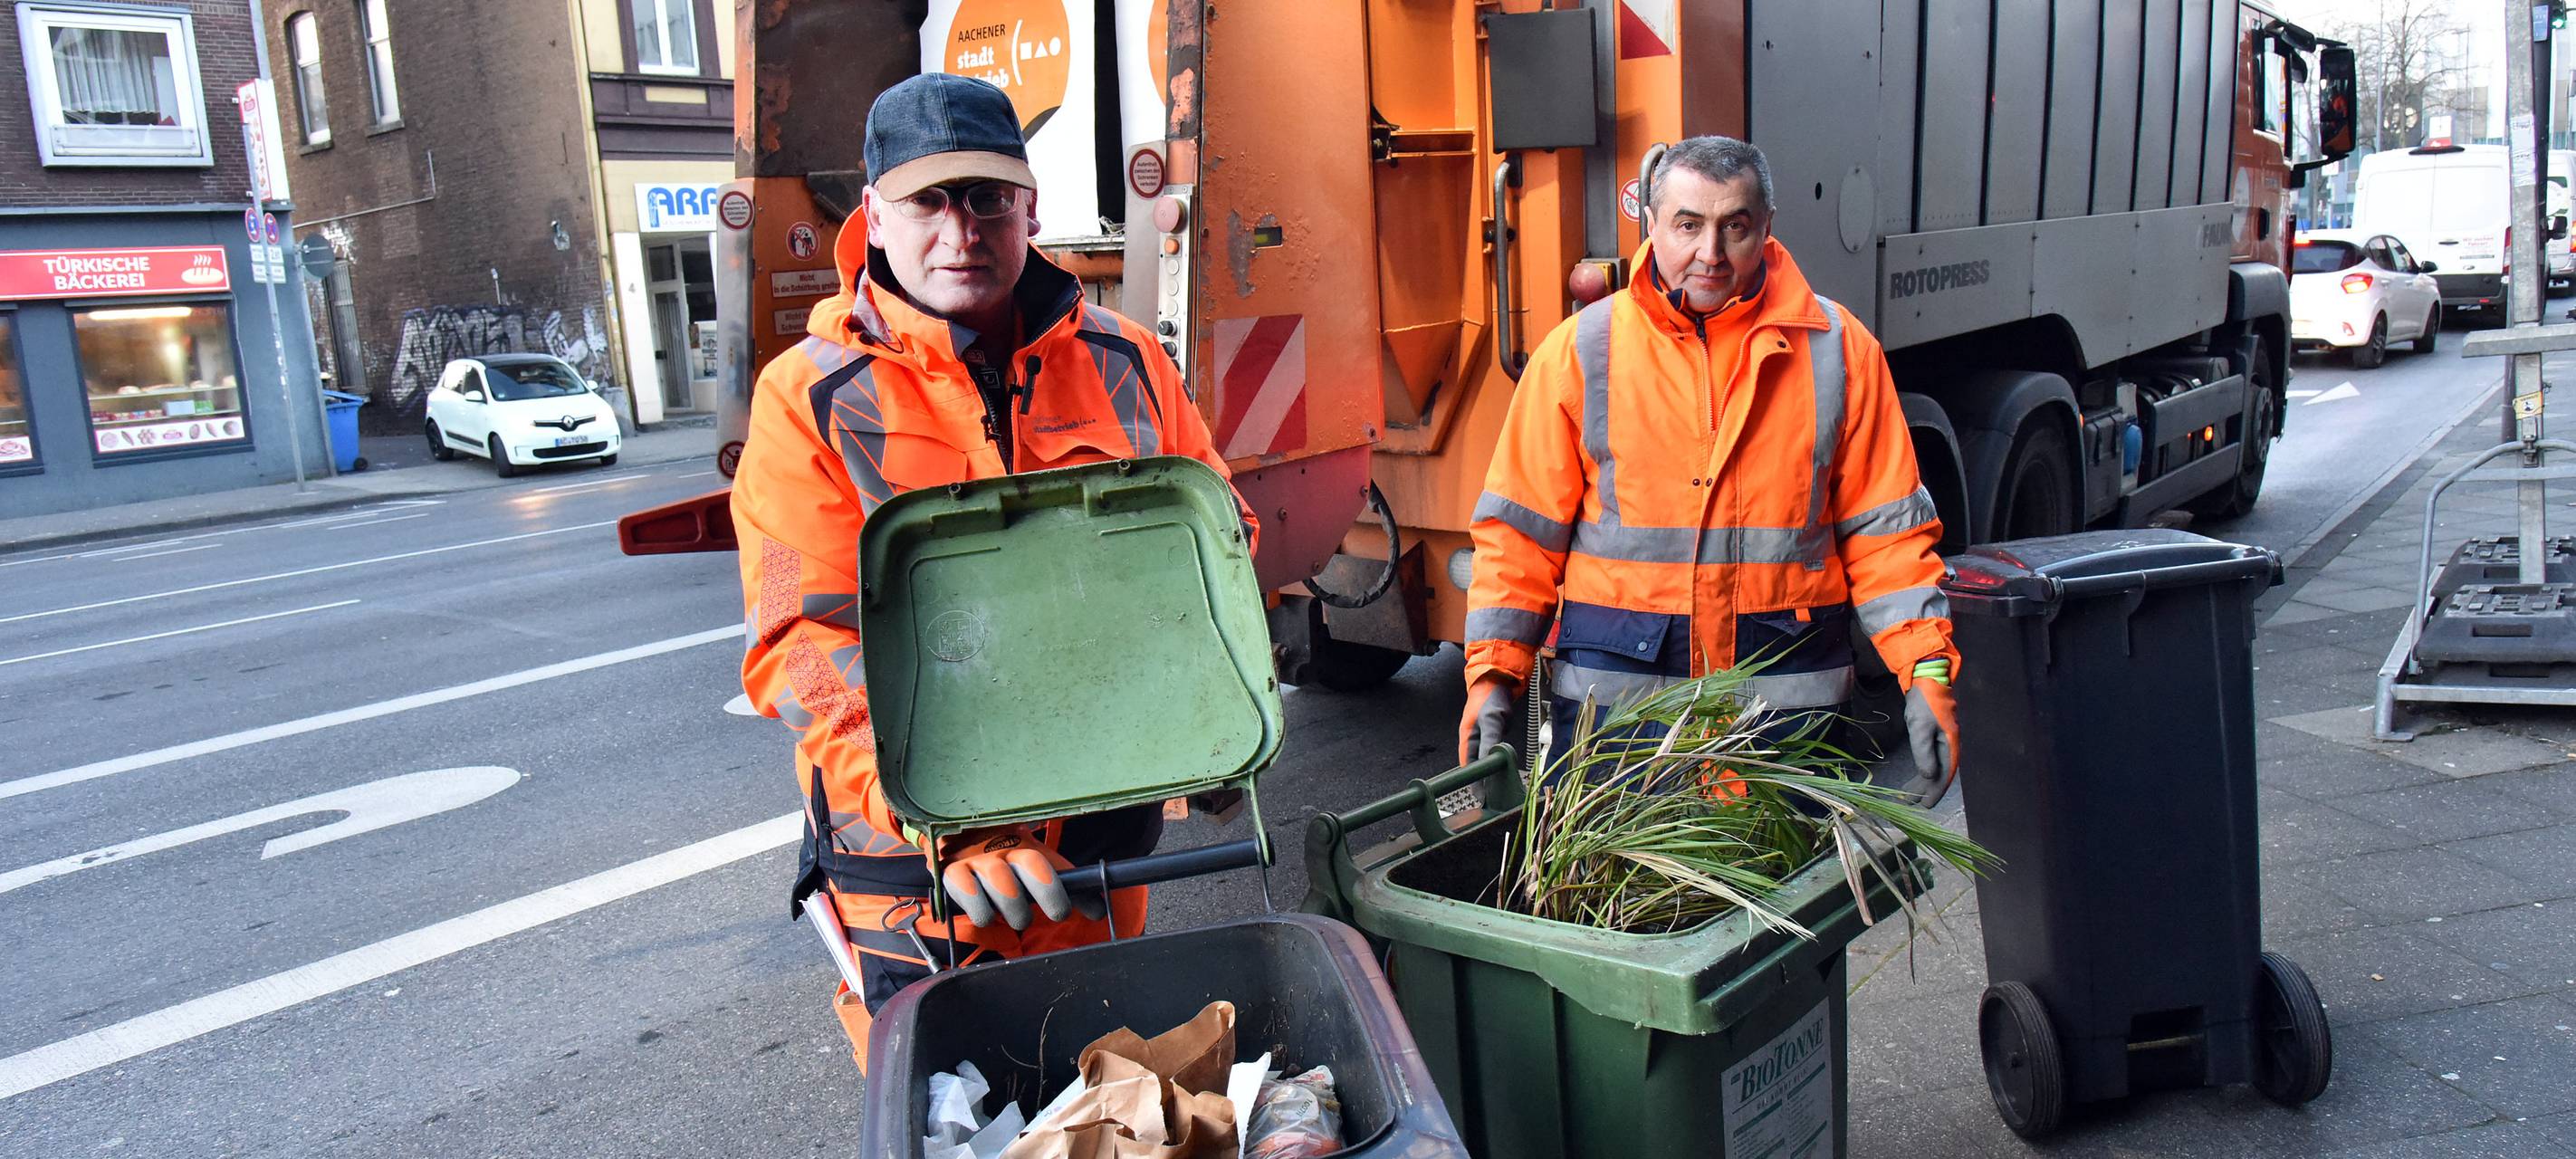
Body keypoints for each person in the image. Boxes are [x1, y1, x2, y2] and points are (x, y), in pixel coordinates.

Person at [729, 72, 1255, 1068]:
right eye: (928, 200)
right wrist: (947, 820)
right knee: (961, 1115)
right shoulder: (807, 398)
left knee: (1107, 1099)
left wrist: (1204, 712)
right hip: (916, 882)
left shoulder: (1127, 361)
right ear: (875, 218)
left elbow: (1217, 548)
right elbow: (798, 645)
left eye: (984, 198)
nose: (960, 229)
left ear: (1029, 208)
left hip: (1095, 852)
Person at [1457, 136, 1959, 805]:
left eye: (1735, 227)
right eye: (1687, 225)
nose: (1710, 254)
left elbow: (1886, 539)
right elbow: (1520, 536)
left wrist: (1925, 673)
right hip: (1618, 731)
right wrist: (1493, 677)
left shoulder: (1839, 353)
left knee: (1776, 904)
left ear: (1766, 229)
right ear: (1653, 226)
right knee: (1612, 905)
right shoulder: (1582, 352)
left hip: (1784, 726)